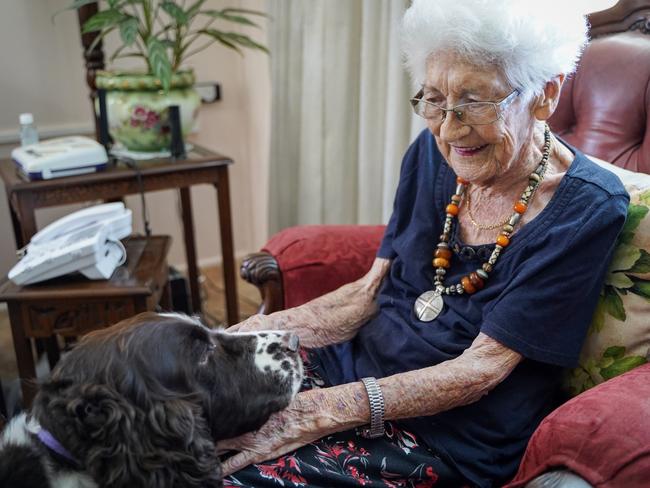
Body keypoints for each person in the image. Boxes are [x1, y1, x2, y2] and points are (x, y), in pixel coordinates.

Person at [221, 1, 629, 486]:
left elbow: (482, 369)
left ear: (545, 94)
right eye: (434, 100)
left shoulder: (587, 208)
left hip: (449, 432)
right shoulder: (435, 154)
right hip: (350, 369)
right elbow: (366, 293)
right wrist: (231, 344)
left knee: (231, 476)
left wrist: (312, 413)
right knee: (186, 413)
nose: (450, 128)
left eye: (474, 102)